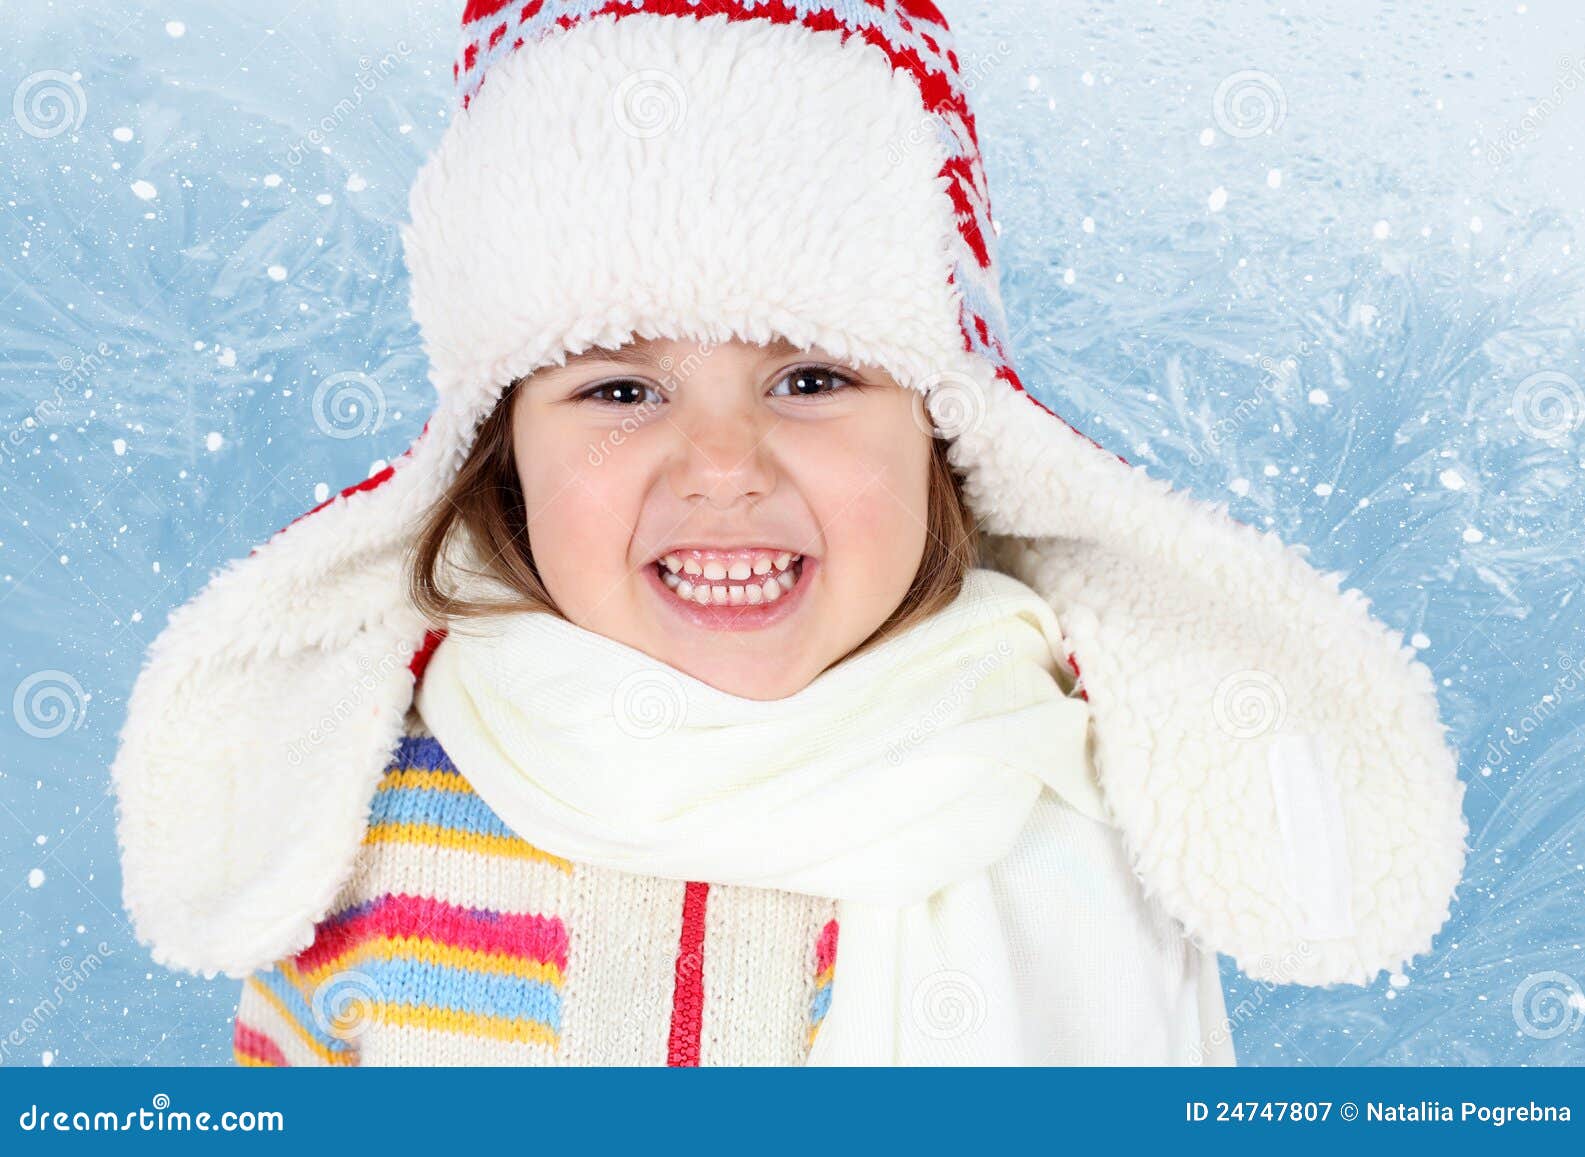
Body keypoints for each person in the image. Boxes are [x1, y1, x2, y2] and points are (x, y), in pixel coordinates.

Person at [109, 0, 1468, 1067]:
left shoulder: (1088, 789)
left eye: (812, 377)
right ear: (500, 453)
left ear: (946, 429)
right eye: (618, 387)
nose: (721, 465)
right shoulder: (370, 838)